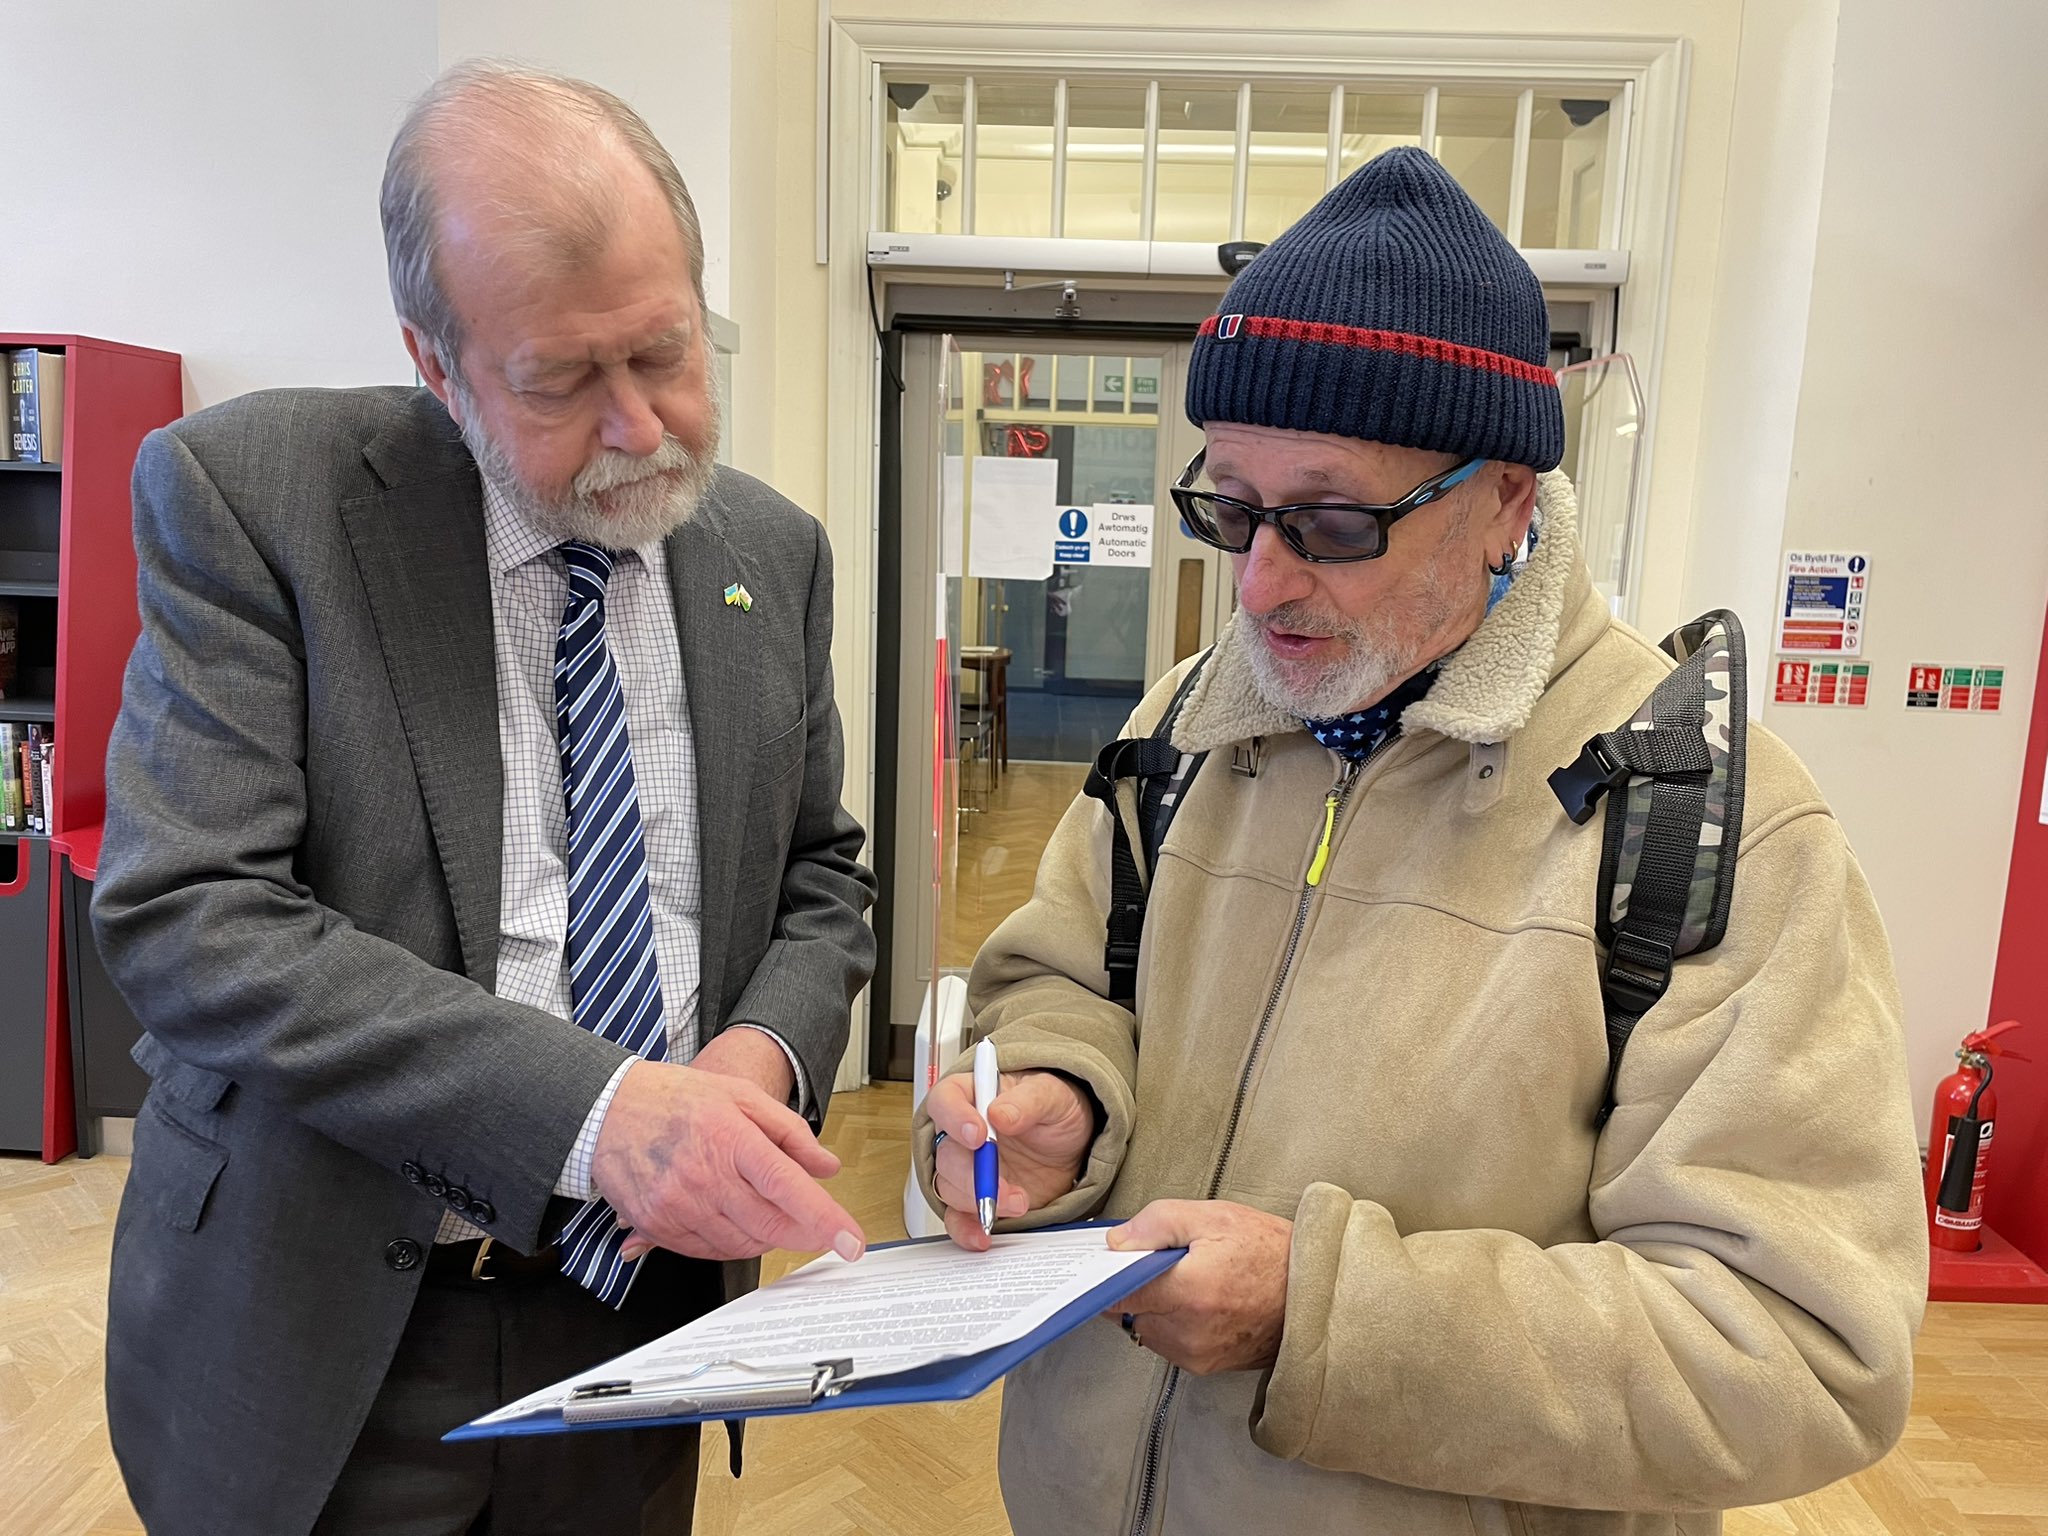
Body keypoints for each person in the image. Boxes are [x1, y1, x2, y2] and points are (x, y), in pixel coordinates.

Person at [917, 147, 1926, 1534]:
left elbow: (1800, 1350)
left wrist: (1325, 1316)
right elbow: (1061, 979)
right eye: (1232, 507)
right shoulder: (1182, 728)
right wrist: (1059, 1094)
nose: (1262, 583)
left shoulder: (1717, 826)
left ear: (1507, 495)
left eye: (1333, 520)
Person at [91, 61, 876, 1536]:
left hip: (644, 1317)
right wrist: (594, 1116)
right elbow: (189, 915)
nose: (645, 428)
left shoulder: (772, 550)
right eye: (563, 381)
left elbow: (822, 879)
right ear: (436, 364)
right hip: (335, 1324)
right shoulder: (256, 497)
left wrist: (759, 1056)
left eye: (668, 352)